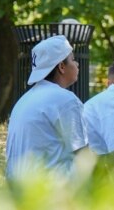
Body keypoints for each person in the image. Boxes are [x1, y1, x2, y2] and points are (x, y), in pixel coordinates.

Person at [5, 35, 88, 179]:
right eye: (73, 59)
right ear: (61, 66)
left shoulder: (24, 100)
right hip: (51, 194)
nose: (77, 64)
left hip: (18, 191)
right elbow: (84, 155)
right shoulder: (66, 100)